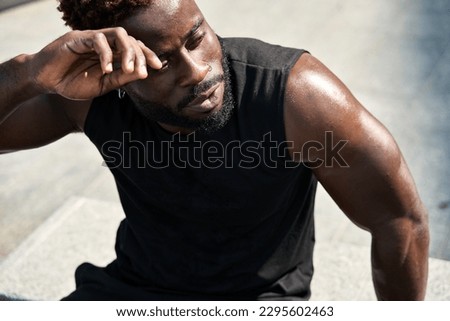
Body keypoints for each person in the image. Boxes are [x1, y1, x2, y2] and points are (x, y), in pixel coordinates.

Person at [0, 0, 429, 300]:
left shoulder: (298, 96)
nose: (198, 71)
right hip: (131, 292)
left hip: (259, 301)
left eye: (196, 37)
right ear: (116, 70)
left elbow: (398, 220)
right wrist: (27, 73)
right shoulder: (89, 96)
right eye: (162, 63)